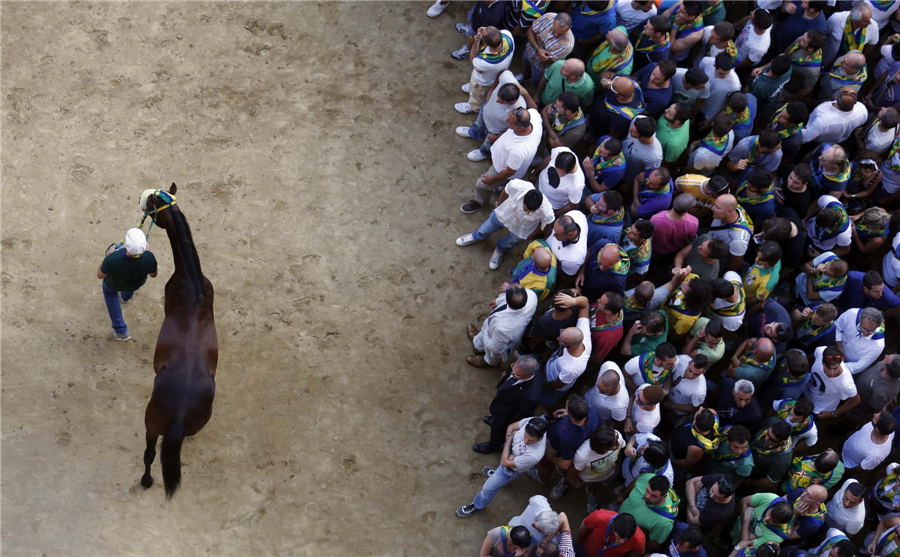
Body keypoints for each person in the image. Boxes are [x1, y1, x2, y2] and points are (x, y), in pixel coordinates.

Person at [456, 416, 549, 517]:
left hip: (509, 470)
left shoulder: (534, 455)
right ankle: (497, 477)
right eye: (525, 436)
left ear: (541, 438)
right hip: (510, 461)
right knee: (500, 474)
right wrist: (508, 449)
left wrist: (509, 442)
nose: (526, 441)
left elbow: (505, 462)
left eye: (531, 440)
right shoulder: (532, 422)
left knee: (488, 488)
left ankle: (477, 505)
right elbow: (511, 427)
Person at [460, 107, 543, 214]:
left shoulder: (519, 150)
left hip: (503, 169)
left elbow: (510, 171)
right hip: (504, 160)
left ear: (520, 127)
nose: (506, 121)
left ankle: (480, 202)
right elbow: (534, 107)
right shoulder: (534, 117)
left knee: (481, 185)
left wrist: (493, 179)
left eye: (510, 121)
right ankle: (500, 188)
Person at [457, 180, 555, 270]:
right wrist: (499, 204)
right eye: (526, 209)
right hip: (505, 214)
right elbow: (505, 191)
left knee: (511, 241)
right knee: (488, 226)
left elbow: (545, 224)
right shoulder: (517, 186)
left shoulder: (547, 210)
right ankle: (476, 236)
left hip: (522, 228)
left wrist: (530, 235)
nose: (528, 213)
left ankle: (500, 249)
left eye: (532, 211)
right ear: (524, 198)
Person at [474, 355, 544, 454]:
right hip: (505, 400)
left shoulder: (530, 397)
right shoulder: (530, 359)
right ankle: (494, 419)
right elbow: (515, 369)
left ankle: (493, 446)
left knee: (498, 431)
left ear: (528, 376)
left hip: (507, 414)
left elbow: (522, 415)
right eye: (513, 368)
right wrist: (507, 372)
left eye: (516, 374)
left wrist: (505, 422)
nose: (512, 374)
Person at [98, 228, 158, 341]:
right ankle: (126, 298)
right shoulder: (149, 258)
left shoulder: (112, 258)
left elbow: (100, 275)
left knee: (110, 295)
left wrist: (107, 256)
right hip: (135, 284)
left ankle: (121, 331)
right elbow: (153, 275)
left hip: (113, 284)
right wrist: (148, 254)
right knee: (131, 285)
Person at [531, 394, 602, 484]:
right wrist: (570, 413)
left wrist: (551, 456)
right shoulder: (594, 412)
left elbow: (565, 464)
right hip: (576, 445)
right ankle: (559, 468)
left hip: (556, 446)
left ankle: (542, 479)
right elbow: (599, 428)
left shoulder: (566, 434)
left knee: (545, 464)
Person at [458, 72, 527, 162]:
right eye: (497, 96)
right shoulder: (507, 79)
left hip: (495, 129)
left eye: (501, 101)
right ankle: (474, 133)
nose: (496, 100)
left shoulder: (519, 109)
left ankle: (484, 152)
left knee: (489, 142)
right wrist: (492, 89)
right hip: (486, 111)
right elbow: (503, 72)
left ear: (512, 102)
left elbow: (513, 128)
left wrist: (498, 137)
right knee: (478, 124)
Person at [466, 283, 538, 368]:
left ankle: (488, 362)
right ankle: (478, 345)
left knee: (493, 354)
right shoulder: (531, 295)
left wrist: (485, 333)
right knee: (483, 335)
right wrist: (498, 301)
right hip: (493, 328)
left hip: (498, 339)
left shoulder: (504, 329)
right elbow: (508, 298)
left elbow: (496, 348)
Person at [555, 426, 626, 509]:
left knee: (596, 485)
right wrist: (574, 482)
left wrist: (617, 465)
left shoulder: (616, 436)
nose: (618, 443)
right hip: (584, 477)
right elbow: (574, 471)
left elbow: (620, 450)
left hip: (606, 474)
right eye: (614, 444)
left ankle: (590, 493)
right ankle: (565, 483)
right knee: (569, 478)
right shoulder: (582, 455)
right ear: (603, 449)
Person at [540, 292, 592, 404]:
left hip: (551, 384)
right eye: (561, 335)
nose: (558, 339)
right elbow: (585, 303)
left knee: (543, 399)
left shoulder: (572, 367)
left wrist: (539, 383)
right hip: (549, 367)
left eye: (562, 341)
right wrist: (573, 301)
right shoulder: (583, 332)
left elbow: (556, 385)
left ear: (573, 346)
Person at [457, 26, 516, 115]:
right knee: (475, 87)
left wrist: (477, 39)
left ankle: (473, 107)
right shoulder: (508, 35)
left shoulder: (486, 62)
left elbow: (472, 60)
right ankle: (472, 88)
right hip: (495, 75)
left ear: (486, 43)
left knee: (477, 94)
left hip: (483, 80)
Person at [617, 473, 678, 549]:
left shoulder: (664, 523)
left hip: (626, 538)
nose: (647, 496)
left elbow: (654, 543)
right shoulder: (648, 477)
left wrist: (636, 550)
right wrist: (622, 495)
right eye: (647, 491)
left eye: (654, 496)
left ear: (664, 496)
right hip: (616, 518)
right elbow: (636, 482)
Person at [804, 346, 860, 419]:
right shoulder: (821, 351)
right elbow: (813, 356)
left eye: (835, 368)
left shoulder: (846, 384)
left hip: (817, 408)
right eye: (828, 368)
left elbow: (856, 400)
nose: (831, 372)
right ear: (822, 362)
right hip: (805, 389)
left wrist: (831, 414)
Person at [801, 87, 869, 145]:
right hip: (840, 141)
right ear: (855, 102)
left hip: (817, 142)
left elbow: (805, 137)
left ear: (837, 97)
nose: (849, 94)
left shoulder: (823, 118)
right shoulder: (862, 110)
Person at [522, 12, 575, 85]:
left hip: (540, 67)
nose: (556, 35)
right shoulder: (548, 17)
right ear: (553, 21)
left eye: (560, 33)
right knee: (525, 64)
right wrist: (538, 49)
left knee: (535, 81)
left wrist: (537, 38)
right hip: (529, 50)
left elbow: (545, 60)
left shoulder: (567, 45)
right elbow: (529, 31)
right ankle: (525, 76)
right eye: (554, 30)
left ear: (569, 28)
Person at [821, 3, 879, 68]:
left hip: (849, 65)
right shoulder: (836, 18)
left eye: (870, 19)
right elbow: (823, 34)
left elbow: (871, 46)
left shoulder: (873, 26)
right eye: (866, 21)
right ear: (855, 21)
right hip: (828, 57)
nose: (870, 22)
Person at [589, 75, 646, 140]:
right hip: (594, 110)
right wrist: (604, 80)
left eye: (612, 88)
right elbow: (608, 74)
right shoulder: (625, 81)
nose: (610, 84)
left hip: (600, 127)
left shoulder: (622, 119)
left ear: (620, 96)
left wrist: (600, 140)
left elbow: (614, 134)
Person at [835, 307, 886, 375]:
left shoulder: (878, 345)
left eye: (871, 331)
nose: (866, 333)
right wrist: (840, 348)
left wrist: (836, 367)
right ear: (860, 320)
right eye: (864, 328)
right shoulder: (851, 314)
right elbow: (838, 327)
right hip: (835, 345)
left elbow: (859, 366)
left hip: (848, 365)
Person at [536, 149, 584, 218]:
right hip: (538, 186)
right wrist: (535, 173)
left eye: (562, 174)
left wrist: (555, 215)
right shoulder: (559, 151)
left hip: (550, 205)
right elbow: (548, 159)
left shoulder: (577, 184)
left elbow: (573, 205)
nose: (558, 175)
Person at [650, 193, 700, 259]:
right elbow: (691, 238)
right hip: (676, 250)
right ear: (688, 210)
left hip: (656, 250)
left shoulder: (655, 219)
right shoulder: (693, 222)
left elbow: (650, 236)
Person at [747, 422, 795, 490]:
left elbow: (769, 482)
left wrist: (749, 482)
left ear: (782, 442)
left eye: (772, 440)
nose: (766, 438)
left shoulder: (781, 461)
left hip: (752, 475)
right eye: (767, 434)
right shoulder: (773, 422)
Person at [576, 511, 646, 557]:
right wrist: (578, 542)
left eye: (626, 539)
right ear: (614, 527)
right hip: (584, 550)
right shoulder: (599, 517)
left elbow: (637, 552)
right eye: (620, 537)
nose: (622, 541)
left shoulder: (640, 539)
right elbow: (584, 527)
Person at [698, 52, 741, 123]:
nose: (724, 76)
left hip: (709, 113)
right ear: (714, 65)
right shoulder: (706, 62)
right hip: (696, 102)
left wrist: (712, 120)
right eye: (721, 73)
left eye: (727, 73)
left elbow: (727, 104)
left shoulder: (735, 84)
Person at [747, 55, 792, 122]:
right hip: (772, 101)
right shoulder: (788, 69)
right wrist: (762, 68)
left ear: (771, 61)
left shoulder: (761, 87)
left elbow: (751, 99)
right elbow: (782, 55)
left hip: (760, 107)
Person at [622, 116, 665, 185]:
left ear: (644, 138)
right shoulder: (639, 119)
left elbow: (646, 175)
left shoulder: (654, 157)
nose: (629, 130)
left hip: (628, 173)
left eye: (633, 132)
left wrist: (629, 184)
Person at [547, 212, 590, 280]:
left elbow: (564, 278)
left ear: (569, 235)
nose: (553, 235)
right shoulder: (577, 215)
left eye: (557, 234)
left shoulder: (573, 259)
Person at [743, 243, 782, 314]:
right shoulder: (773, 255)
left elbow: (757, 299)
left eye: (761, 259)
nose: (756, 260)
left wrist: (741, 302)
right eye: (757, 256)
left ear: (771, 262)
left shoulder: (766, 284)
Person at [589, 292, 626, 364]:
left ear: (608, 311)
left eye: (601, 302)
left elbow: (596, 359)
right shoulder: (613, 307)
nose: (598, 300)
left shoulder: (607, 339)